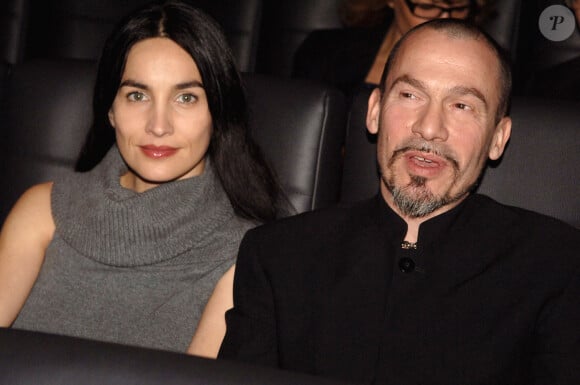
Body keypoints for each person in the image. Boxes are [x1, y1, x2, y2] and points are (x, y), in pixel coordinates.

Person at [219, 19, 580, 384]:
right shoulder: (279, 257)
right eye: (410, 96)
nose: (429, 127)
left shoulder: (554, 264)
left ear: (498, 138)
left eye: (461, 105)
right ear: (374, 110)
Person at [0, 0, 285, 358]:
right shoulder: (42, 209)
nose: (159, 125)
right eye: (137, 95)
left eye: (186, 97)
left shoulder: (246, 256)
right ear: (111, 110)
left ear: (218, 112)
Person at [292, 0, 491, 98]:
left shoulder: (487, 66)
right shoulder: (325, 51)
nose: (444, 21)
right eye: (427, 8)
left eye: (459, 8)